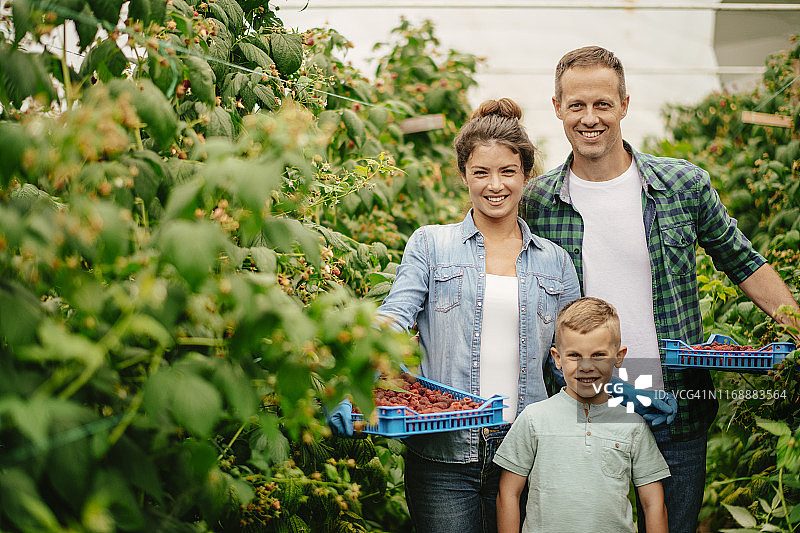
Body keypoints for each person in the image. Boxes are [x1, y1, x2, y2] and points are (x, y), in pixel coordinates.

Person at [520, 45, 800, 533]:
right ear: (557, 108)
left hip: (671, 394)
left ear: (625, 104)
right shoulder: (539, 200)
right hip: (585, 398)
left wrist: (795, 324)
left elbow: (742, 261)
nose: (590, 118)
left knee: (672, 524)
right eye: (577, 105)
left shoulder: (682, 185)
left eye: (603, 104)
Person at [367, 98, 581, 533]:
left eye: (507, 172)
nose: (494, 185)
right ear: (463, 174)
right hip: (443, 452)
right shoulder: (431, 245)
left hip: (526, 451)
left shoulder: (555, 262)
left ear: (526, 174)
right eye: (481, 173)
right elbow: (396, 314)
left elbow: (570, 361)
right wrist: (351, 348)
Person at [495, 296, 669, 533]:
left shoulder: (633, 425)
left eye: (598, 355)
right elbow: (508, 493)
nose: (586, 366)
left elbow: (653, 503)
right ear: (557, 358)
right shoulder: (534, 419)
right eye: (575, 355)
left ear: (619, 356)